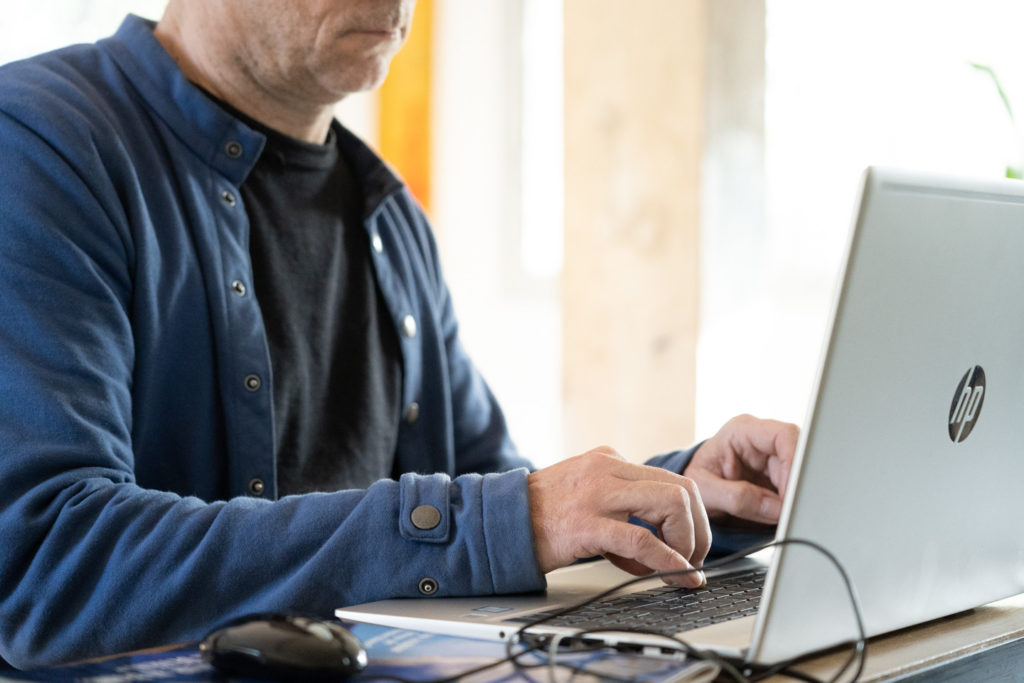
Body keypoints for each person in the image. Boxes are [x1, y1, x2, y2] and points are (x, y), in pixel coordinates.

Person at [0, 0, 797, 670]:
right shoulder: (37, 147)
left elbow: (502, 512)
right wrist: (510, 519)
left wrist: (681, 492)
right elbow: (46, 566)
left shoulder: (391, 218)